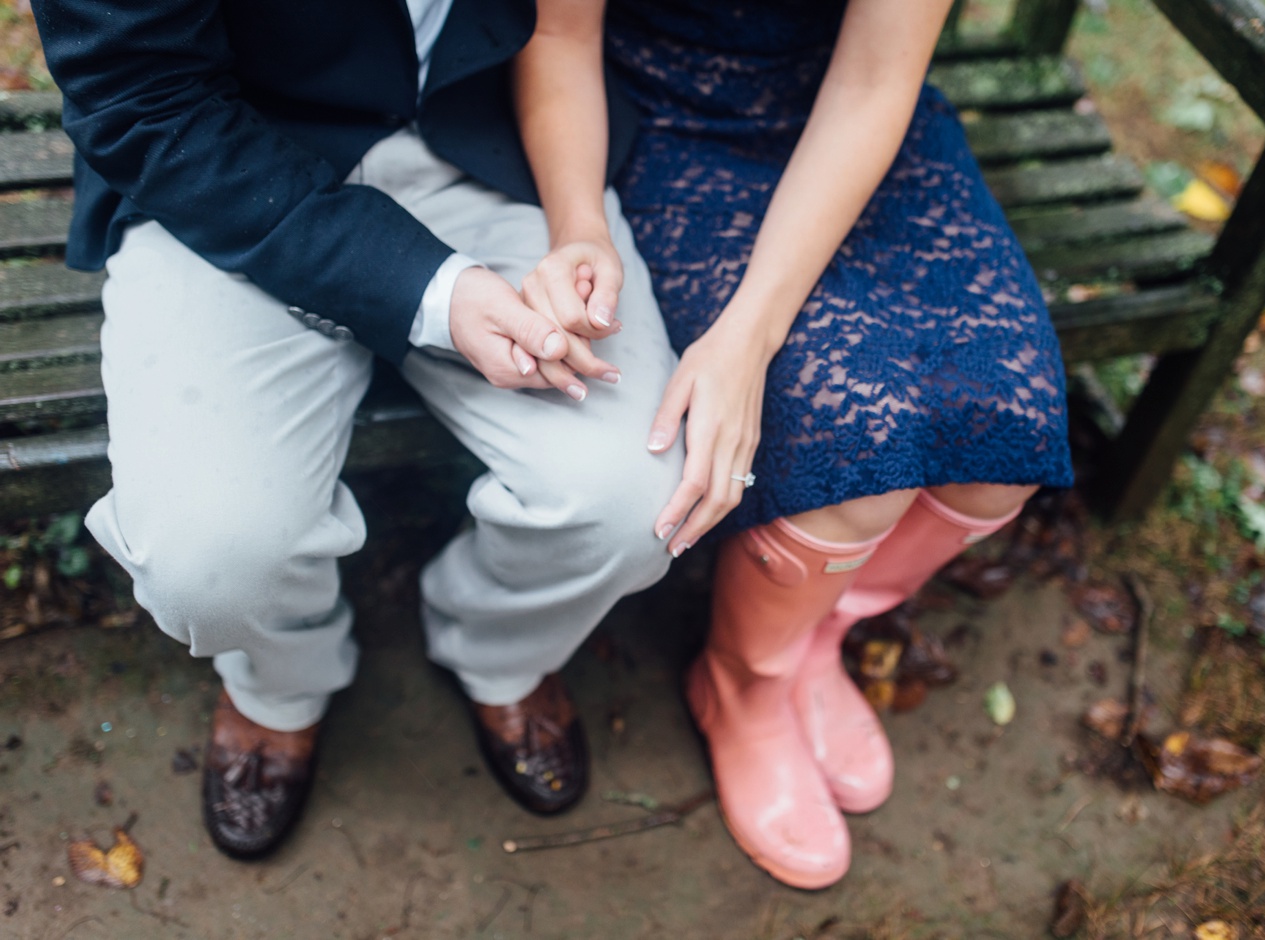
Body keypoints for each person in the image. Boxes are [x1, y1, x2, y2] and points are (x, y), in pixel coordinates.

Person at [33, 0, 684, 858]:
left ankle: (499, 650)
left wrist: (580, 230)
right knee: (209, 555)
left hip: (487, 146)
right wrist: (433, 294)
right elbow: (141, 98)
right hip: (228, 164)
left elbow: (561, 30)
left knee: (637, 498)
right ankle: (280, 683)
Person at [512, 0, 1073, 889]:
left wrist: (750, 333)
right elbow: (560, 36)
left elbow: (875, 78)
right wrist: (580, 225)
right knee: (854, 464)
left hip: (860, 112)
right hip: (661, 120)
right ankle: (744, 684)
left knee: (1001, 436)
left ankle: (818, 638)